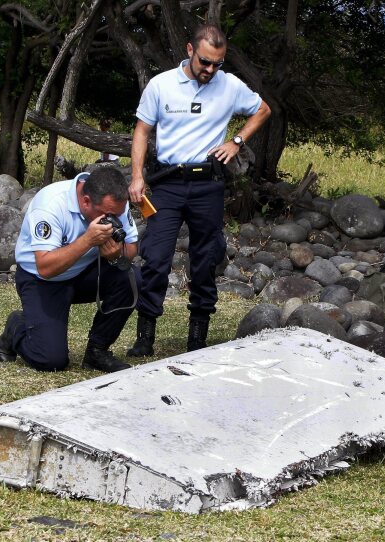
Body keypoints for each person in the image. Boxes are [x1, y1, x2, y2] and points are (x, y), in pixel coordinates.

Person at [126, 24, 271, 356]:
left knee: (205, 260)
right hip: (167, 183)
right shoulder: (161, 85)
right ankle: (145, 337)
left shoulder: (229, 85)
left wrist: (237, 141)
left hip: (207, 185)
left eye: (217, 63)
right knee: (156, 258)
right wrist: (136, 177)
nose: (210, 69)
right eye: (205, 61)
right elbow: (142, 131)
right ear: (190, 50)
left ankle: (197, 339)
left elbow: (263, 110)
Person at [0, 166, 140, 373]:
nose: (112, 221)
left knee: (131, 278)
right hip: (43, 280)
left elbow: (131, 248)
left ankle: (97, 352)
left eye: (117, 215)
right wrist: (88, 240)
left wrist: (116, 254)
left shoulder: (114, 204)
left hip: (84, 272)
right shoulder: (50, 204)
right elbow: (45, 267)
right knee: (51, 360)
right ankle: (16, 326)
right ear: (86, 201)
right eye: (107, 215)